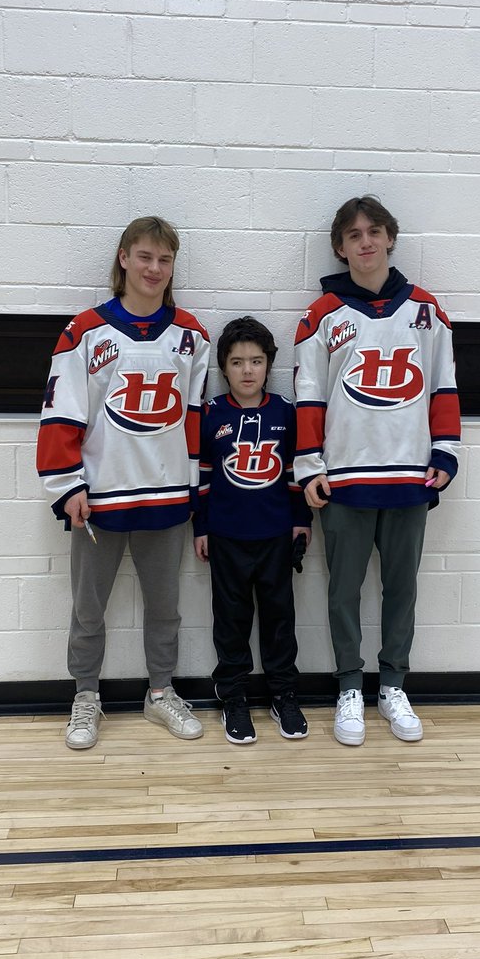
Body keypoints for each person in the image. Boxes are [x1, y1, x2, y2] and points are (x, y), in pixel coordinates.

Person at [37, 216, 210, 750]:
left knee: (166, 608)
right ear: (123, 259)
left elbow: (195, 421)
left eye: (164, 259)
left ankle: (160, 693)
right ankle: (86, 695)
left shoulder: (192, 336)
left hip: (164, 496)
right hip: (100, 499)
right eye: (144, 257)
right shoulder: (85, 331)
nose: (154, 268)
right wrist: (67, 486)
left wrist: (195, 491)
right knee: (89, 608)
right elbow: (61, 411)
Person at [293, 196, 460, 747]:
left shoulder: (427, 311)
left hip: (410, 477)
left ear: (390, 238)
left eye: (375, 231)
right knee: (342, 591)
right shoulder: (321, 316)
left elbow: (442, 386)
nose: (365, 242)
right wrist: (310, 465)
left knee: (401, 589)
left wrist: (445, 453)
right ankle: (347, 686)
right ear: (340, 248)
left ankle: (392, 685)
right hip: (344, 479)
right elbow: (309, 396)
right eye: (354, 234)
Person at [193, 316, 311, 745]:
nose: (247, 370)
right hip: (226, 536)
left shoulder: (286, 412)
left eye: (256, 361)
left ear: (269, 365)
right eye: (238, 361)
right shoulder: (210, 415)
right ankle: (234, 697)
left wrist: (302, 520)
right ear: (223, 366)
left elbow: (297, 473)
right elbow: (203, 476)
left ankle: (284, 693)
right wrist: (201, 527)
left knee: (280, 619)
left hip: (277, 534)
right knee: (231, 620)